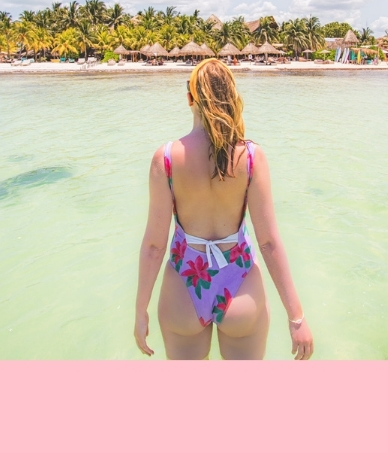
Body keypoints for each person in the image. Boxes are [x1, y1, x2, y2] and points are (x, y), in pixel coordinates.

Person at [134, 59, 313, 360]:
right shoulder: (252, 157)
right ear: (231, 95)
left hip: (184, 288)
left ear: (189, 99)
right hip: (241, 283)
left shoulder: (165, 159)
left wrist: (140, 311)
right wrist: (296, 317)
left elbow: (154, 246)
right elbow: (268, 242)